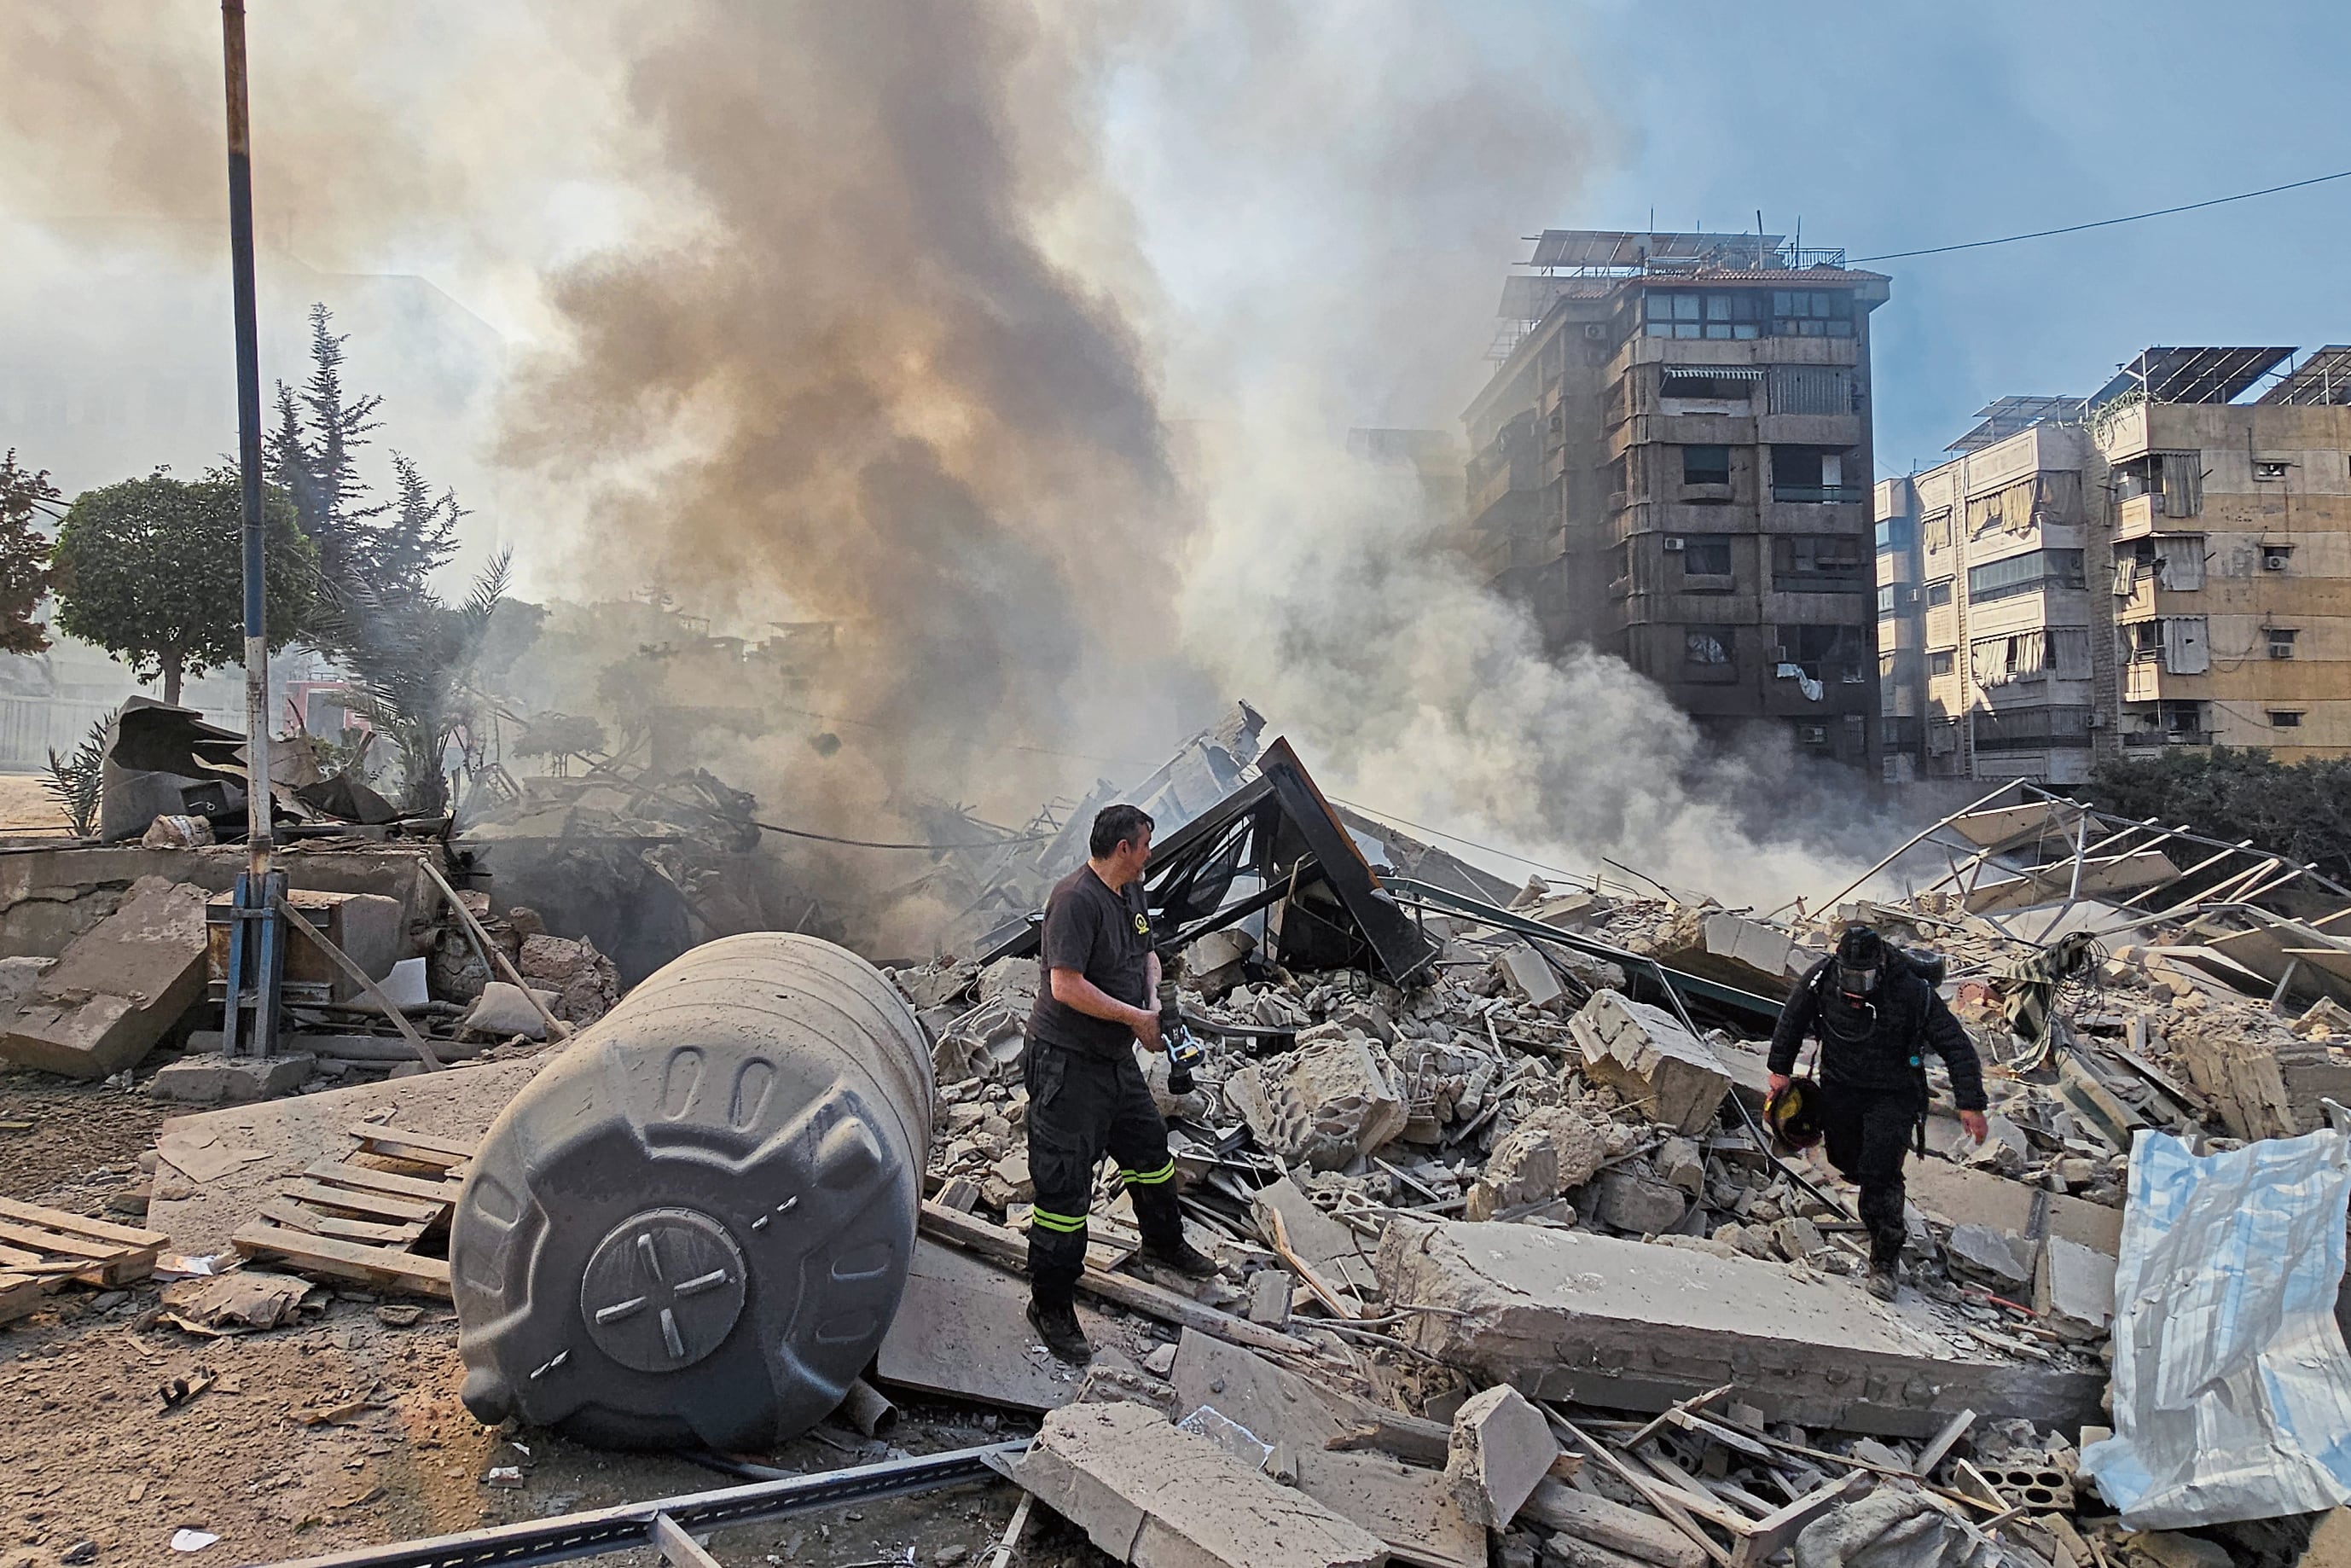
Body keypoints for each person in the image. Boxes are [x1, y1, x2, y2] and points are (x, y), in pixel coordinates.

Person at [1023, 803, 1216, 1363]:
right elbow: (1066, 986)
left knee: (1149, 1152)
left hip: (1113, 1059)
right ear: (1124, 848)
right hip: (1067, 1063)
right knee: (1064, 1189)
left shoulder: (1129, 891)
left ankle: (1163, 1244)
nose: (1152, 854)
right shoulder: (1075, 900)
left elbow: (1147, 955)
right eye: (1146, 844)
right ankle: (1051, 1303)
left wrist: (1153, 1004)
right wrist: (1135, 1020)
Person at [1768, 923, 1988, 1302]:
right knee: (1844, 1159)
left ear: (1881, 966)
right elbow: (1792, 1020)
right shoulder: (1821, 978)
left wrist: (1971, 1103)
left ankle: (1884, 1261)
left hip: (1894, 1093)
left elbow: (1956, 1045)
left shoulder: (1911, 991)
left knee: (1880, 1170)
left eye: (1866, 976)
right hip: (1840, 1084)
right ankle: (1872, 1195)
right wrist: (1779, 1069)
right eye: (1852, 975)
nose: (1858, 984)